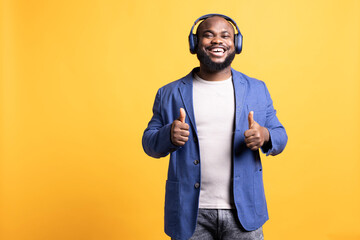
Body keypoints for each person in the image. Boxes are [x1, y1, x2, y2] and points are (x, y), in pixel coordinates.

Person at [142, 14, 288, 240]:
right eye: (208, 35)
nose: (217, 41)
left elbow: (281, 136)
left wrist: (265, 135)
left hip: (244, 213)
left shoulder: (257, 89)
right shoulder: (169, 93)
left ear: (235, 44)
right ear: (195, 44)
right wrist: (168, 135)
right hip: (189, 214)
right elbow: (149, 144)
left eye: (225, 36)